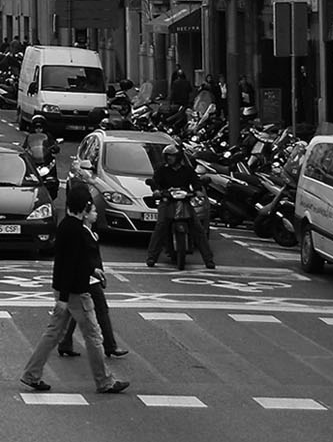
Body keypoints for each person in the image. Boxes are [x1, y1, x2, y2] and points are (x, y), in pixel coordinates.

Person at [19, 187, 130, 395]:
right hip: (76, 292)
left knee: (52, 334)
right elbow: (69, 265)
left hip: (64, 289)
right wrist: (64, 298)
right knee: (93, 336)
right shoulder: (77, 231)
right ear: (85, 206)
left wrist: (91, 270)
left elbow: (70, 261)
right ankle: (104, 381)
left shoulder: (65, 226)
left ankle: (31, 374)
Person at [58, 185, 127, 359]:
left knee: (74, 312)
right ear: (85, 213)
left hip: (86, 277)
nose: (96, 214)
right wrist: (94, 271)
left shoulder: (88, 230)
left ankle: (65, 343)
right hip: (87, 278)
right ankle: (109, 346)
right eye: (94, 211)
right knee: (101, 310)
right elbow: (79, 259)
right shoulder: (79, 231)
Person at [145, 144, 215, 269]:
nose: (169, 158)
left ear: (178, 157)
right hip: (167, 201)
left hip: (184, 201)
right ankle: (151, 257)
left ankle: (208, 259)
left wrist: (198, 190)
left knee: (198, 228)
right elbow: (155, 182)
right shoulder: (162, 170)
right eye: (167, 156)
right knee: (161, 225)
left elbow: (196, 181)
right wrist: (156, 190)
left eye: (172, 156)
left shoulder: (187, 170)